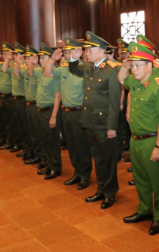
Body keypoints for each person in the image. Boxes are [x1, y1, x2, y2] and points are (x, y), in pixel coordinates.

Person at [117, 42, 159, 235]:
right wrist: (125, 67)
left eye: (139, 65)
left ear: (150, 65)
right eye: (133, 65)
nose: (135, 69)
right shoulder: (135, 82)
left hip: (151, 140)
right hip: (135, 139)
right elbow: (121, 78)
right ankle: (145, 209)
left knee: (158, 181)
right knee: (140, 179)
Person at [68, 31, 121, 209]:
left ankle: (110, 192)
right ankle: (101, 188)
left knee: (108, 159)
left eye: (89, 50)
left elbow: (114, 102)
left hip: (104, 123)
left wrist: (112, 126)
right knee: (97, 158)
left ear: (101, 51)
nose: (86, 53)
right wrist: (73, 59)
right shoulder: (89, 67)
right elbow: (74, 69)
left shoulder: (112, 69)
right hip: (89, 121)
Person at [45, 38, 92, 190]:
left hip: (79, 112)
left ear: (77, 53)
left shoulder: (84, 68)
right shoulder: (63, 69)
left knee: (81, 145)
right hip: (66, 113)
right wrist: (52, 59)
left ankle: (85, 175)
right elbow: (47, 72)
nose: (66, 54)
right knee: (71, 145)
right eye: (65, 51)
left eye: (69, 51)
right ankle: (77, 172)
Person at [34, 43, 62, 180]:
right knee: (45, 140)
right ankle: (49, 165)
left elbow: (58, 97)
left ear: (51, 59)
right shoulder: (41, 72)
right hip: (40, 111)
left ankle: (56, 168)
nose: (40, 61)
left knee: (53, 142)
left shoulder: (55, 75)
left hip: (49, 111)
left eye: (43, 58)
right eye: (40, 58)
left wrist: (53, 117)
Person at [18, 45, 43, 166]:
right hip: (28, 104)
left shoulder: (38, 70)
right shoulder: (28, 69)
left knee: (37, 132)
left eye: (29, 58)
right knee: (31, 131)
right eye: (26, 58)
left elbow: (30, 72)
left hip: (35, 104)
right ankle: (34, 152)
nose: (26, 60)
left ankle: (39, 155)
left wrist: (32, 64)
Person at [10, 42, 30, 158]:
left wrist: (19, 63)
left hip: (23, 99)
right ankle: (24, 147)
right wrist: (18, 63)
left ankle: (28, 149)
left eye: (17, 54)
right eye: (15, 54)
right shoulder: (18, 66)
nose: (15, 56)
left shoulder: (25, 68)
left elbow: (16, 72)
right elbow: (14, 71)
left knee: (25, 126)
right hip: (16, 98)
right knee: (20, 125)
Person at [0, 42, 16, 151]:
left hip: (11, 97)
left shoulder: (14, 64)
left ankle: (15, 142)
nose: (5, 56)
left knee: (13, 122)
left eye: (7, 54)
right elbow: (2, 84)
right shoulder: (3, 64)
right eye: (3, 54)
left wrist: (9, 60)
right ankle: (10, 141)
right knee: (6, 121)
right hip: (4, 97)